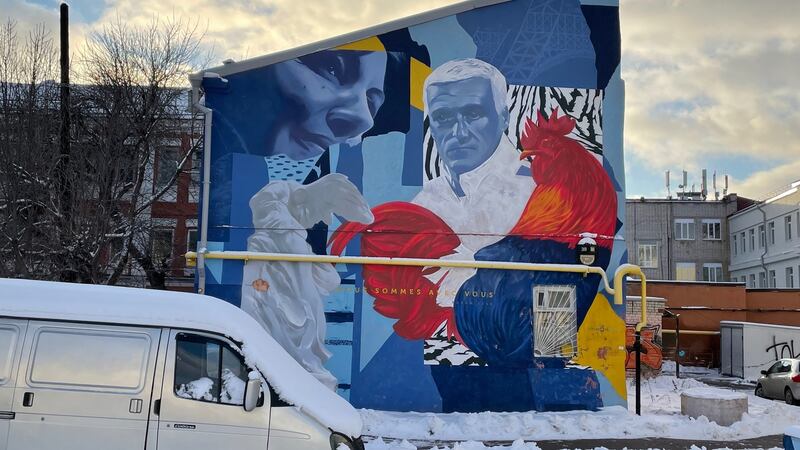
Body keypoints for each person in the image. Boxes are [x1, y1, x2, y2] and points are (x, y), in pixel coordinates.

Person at [240, 48, 387, 390]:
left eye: (372, 101)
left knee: (308, 320)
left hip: (281, 274)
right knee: (291, 317)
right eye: (332, 68)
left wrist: (314, 267)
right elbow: (275, 223)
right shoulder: (278, 196)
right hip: (266, 278)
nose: (364, 118)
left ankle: (304, 362)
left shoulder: (297, 236)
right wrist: (300, 255)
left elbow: (327, 279)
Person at [411, 58, 535, 307]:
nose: (459, 132)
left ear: (503, 118)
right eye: (443, 116)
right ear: (431, 125)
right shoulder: (425, 202)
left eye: (474, 114)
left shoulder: (533, 191)